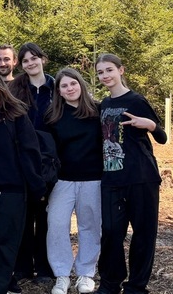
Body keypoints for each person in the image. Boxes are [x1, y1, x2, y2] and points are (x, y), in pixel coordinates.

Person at [95, 54, 167, 294]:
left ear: (121, 70)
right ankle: (110, 283)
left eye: (109, 70)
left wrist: (150, 125)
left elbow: (162, 137)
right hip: (111, 177)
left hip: (141, 177)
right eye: (100, 72)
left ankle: (136, 286)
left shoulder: (137, 100)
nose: (105, 76)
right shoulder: (103, 104)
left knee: (143, 234)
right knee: (111, 233)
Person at [0, 68, 45, 294]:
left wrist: (36, 186)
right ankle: (8, 282)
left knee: (6, 239)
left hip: (13, 188)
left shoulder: (16, 114)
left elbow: (30, 152)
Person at [44, 68, 103, 294]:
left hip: (93, 179)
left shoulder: (97, 111)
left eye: (73, 84)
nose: (70, 89)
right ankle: (61, 274)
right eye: (64, 86)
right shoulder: (53, 115)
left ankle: (86, 274)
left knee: (90, 227)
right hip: (63, 180)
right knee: (57, 225)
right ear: (58, 91)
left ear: (81, 84)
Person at [9, 42, 55, 287]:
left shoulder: (57, 87)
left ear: (42, 59)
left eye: (34, 58)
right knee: (24, 216)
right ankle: (23, 266)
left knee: (47, 215)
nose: (30, 63)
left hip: (49, 160)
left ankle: (45, 267)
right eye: (25, 60)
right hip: (22, 159)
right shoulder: (15, 88)